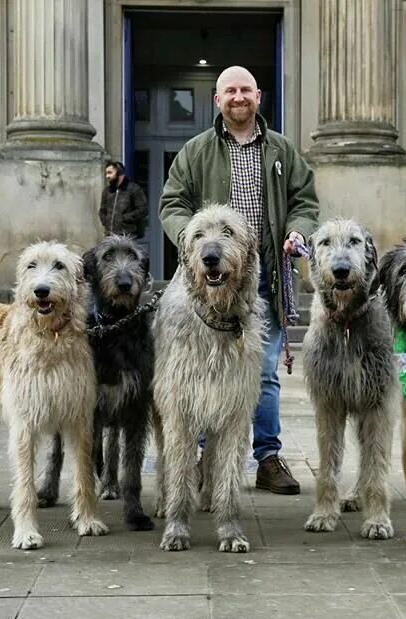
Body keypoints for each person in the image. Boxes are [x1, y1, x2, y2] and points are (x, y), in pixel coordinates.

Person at [159, 65, 319, 495]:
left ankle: (267, 458)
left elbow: (305, 199)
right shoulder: (196, 151)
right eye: (229, 90)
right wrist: (189, 240)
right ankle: (201, 460)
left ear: (258, 96)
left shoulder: (282, 150)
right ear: (217, 100)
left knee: (263, 372)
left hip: (261, 282)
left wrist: (298, 230)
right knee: (201, 375)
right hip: (206, 285)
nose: (238, 97)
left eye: (245, 89)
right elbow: (172, 203)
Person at [99, 160, 149, 237]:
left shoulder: (134, 189)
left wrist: (124, 218)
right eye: (106, 173)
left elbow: (143, 210)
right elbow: (102, 211)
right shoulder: (107, 191)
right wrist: (106, 222)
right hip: (109, 235)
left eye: (110, 173)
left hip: (127, 236)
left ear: (120, 173)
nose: (107, 176)